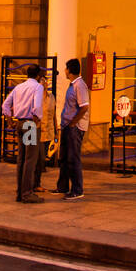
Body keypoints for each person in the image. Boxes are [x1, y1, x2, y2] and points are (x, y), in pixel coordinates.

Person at [1, 65, 44, 203]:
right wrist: (36, 122)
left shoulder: (18, 87)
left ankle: (20, 192)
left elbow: (5, 106)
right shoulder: (37, 87)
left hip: (19, 123)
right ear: (38, 75)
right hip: (30, 124)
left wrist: (9, 121)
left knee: (21, 159)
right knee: (30, 160)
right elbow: (37, 107)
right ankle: (27, 193)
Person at [56, 58, 90, 199]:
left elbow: (84, 107)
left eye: (66, 68)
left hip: (74, 128)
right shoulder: (72, 85)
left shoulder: (79, 85)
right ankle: (62, 186)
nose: (64, 71)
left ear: (70, 70)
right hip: (66, 126)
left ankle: (77, 190)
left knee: (73, 158)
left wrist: (72, 123)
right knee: (63, 158)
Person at [35, 70, 58, 192]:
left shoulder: (51, 97)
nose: (45, 83)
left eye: (46, 80)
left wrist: (56, 131)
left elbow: (54, 115)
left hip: (48, 132)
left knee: (42, 159)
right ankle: (33, 183)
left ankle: (37, 183)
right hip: (37, 131)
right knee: (37, 158)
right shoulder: (35, 97)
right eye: (43, 80)